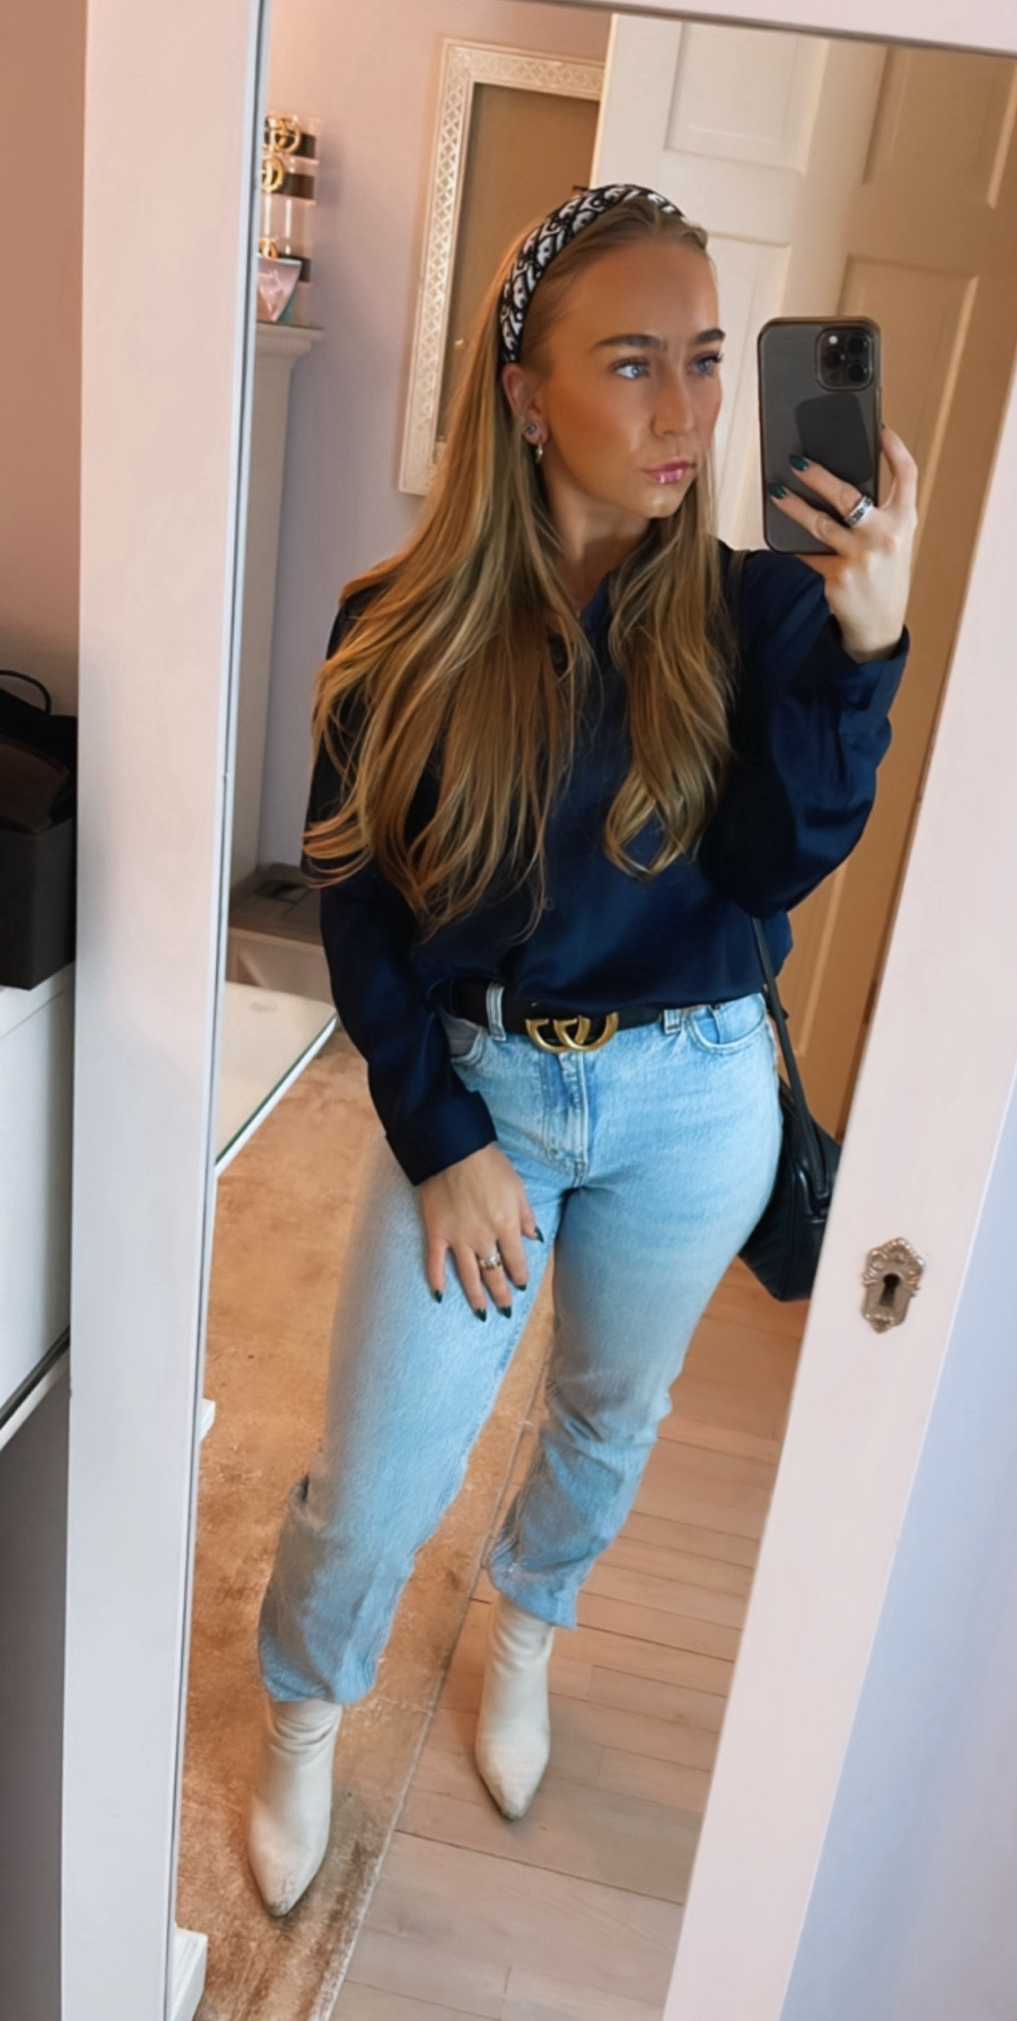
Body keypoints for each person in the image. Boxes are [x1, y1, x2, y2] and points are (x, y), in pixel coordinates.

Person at [245, 184, 916, 1917]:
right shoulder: (391, 623)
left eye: (706, 357)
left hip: (696, 1096)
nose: (686, 409)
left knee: (609, 1417)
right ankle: (306, 1713)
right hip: (482, 1093)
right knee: (377, 1478)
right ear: (524, 392)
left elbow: (771, 868)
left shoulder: (763, 613)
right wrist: (440, 1135)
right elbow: (357, 911)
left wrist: (860, 651)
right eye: (631, 363)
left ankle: (530, 1627)